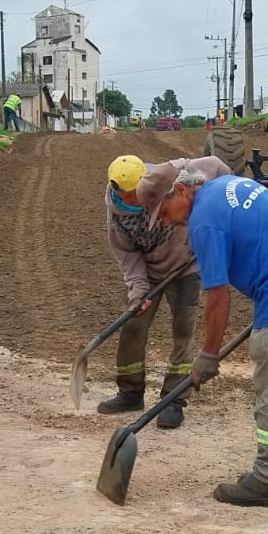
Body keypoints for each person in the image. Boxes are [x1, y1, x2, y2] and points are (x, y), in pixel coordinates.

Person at [151, 169, 268, 508]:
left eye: (163, 213)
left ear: (180, 190)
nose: (165, 222)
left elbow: (217, 298)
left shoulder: (203, 222)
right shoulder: (228, 185)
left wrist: (207, 356)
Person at [101, 153, 231, 429]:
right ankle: (130, 392)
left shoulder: (166, 179)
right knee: (133, 326)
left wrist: (234, 193)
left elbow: (217, 165)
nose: (131, 201)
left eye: (134, 195)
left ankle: (174, 398)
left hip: (185, 267)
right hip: (147, 271)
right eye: (124, 197)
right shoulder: (117, 210)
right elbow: (126, 252)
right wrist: (138, 288)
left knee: (183, 331)